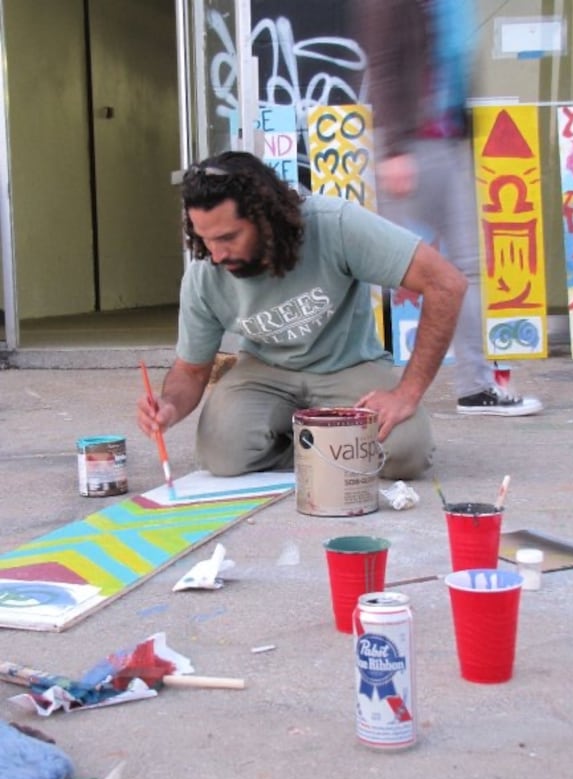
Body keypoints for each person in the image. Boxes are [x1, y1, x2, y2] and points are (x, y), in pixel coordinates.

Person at [137, 150, 467, 479]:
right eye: (205, 239)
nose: (217, 254)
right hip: (264, 372)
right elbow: (192, 372)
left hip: (347, 363)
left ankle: (318, 442)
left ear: (265, 217)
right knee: (222, 458)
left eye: (228, 237)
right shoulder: (204, 274)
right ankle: (332, 444)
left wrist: (406, 394)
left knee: (405, 453)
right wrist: (169, 406)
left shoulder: (333, 224)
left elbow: (446, 284)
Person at [353, 0, 543, 416]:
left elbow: (454, 62)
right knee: (392, 268)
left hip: (443, 139)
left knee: (458, 268)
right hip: (415, 145)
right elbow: (383, 64)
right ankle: (342, 377)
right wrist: (395, 149)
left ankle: (475, 386)